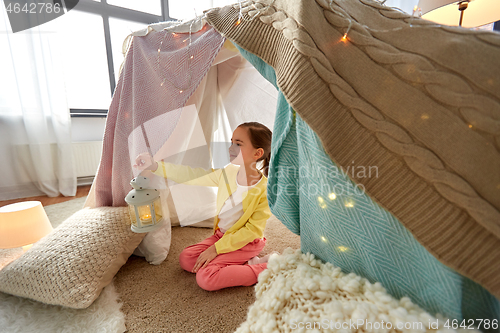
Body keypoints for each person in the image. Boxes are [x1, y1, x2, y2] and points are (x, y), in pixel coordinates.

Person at [134, 122, 275, 291]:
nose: (230, 148)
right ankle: (244, 261)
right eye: (231, 142)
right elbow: (193, 175)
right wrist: (155, 166)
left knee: (207, 278)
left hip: (246, 242)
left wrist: (216, 249)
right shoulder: (227, 173)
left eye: (238, 144)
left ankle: (268, 268)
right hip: (221, 236)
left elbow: (252, 231)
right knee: (186, 259)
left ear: (257, 153)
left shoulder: (264, 190)